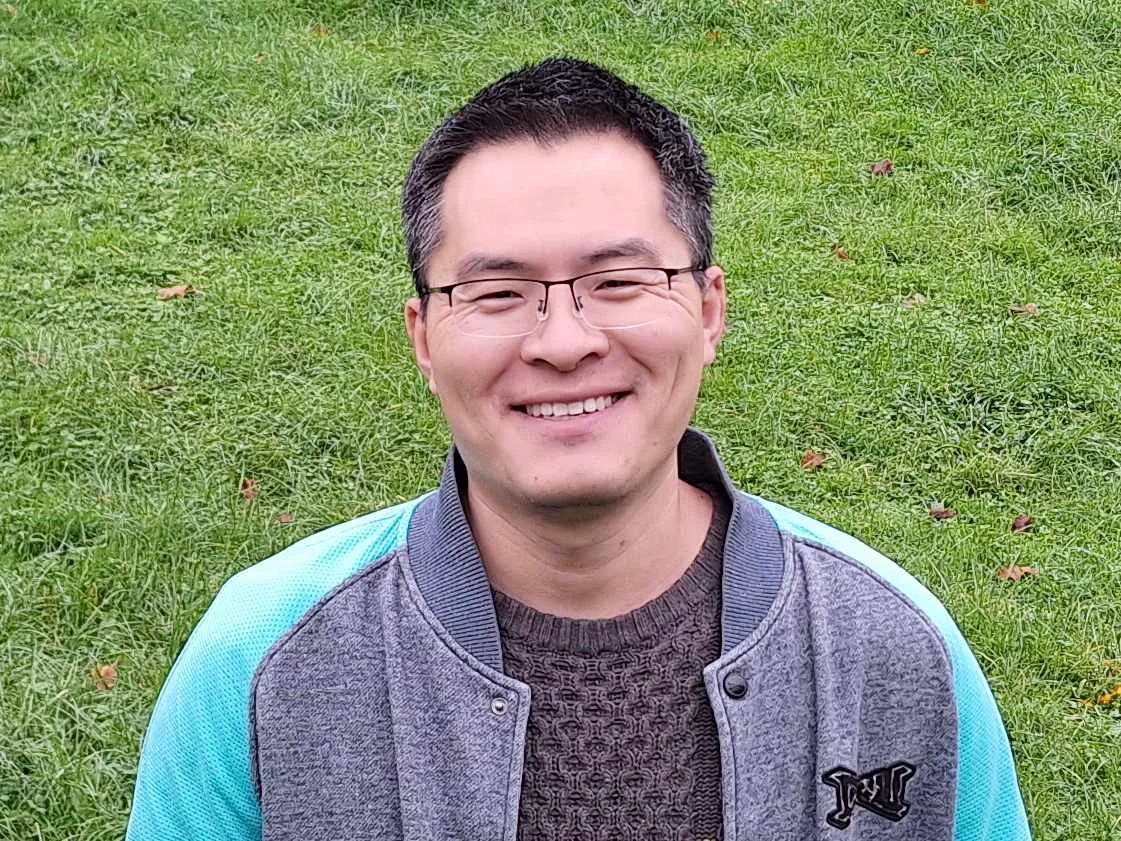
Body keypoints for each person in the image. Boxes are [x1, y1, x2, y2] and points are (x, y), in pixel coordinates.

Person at [126, 57, 1031, 841]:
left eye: (619, 281)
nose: (563, 342)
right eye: (496, 293)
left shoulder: (893, 646)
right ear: (423, 338)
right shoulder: (259, 662)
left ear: (708, 311)